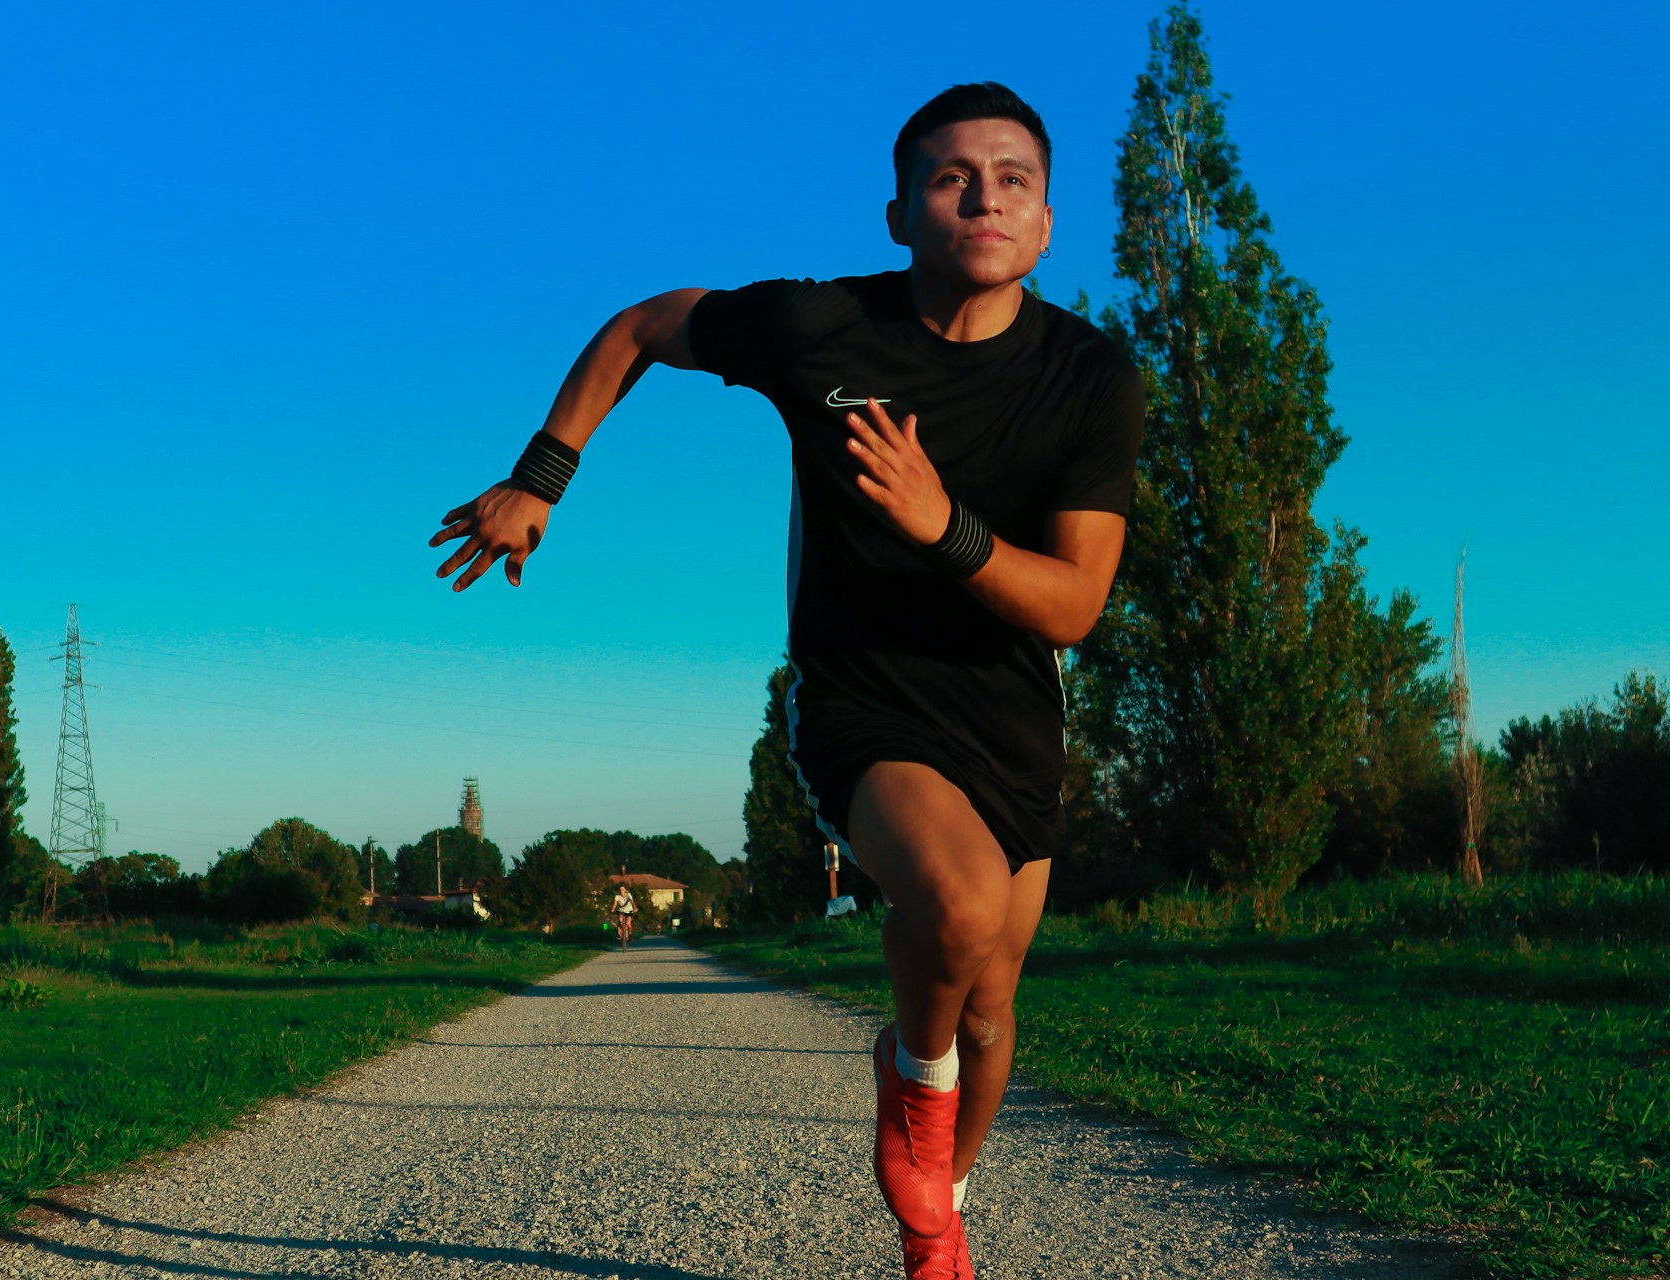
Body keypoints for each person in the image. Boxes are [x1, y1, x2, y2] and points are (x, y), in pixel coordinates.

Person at [431, 82, 1143, 1279]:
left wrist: (940, 523)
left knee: (992, 1003)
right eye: (952, 176)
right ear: (901, 213)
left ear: (1047, 221)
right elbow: (644, 326)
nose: (984, 195)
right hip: (863, 696)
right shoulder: (822, 331)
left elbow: (1074, 601)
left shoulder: (1089, 373)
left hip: (1013, 708)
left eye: (1013, 177)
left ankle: (941, 1202)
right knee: (958, 904)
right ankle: (914, 1117)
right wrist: (543, 476)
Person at [609, 881, 638, 950]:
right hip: (621, 911)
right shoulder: (617, 896)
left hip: (629, 910)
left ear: (625, 890)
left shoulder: (629, 895)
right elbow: (615, 903)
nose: (621, 891)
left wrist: (635, 908)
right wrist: (612, 909)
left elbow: (632, 901)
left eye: (622, 889)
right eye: (620, 890)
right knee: (619, 921)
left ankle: (630, 933)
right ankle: (619, 934)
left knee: (628, 922)